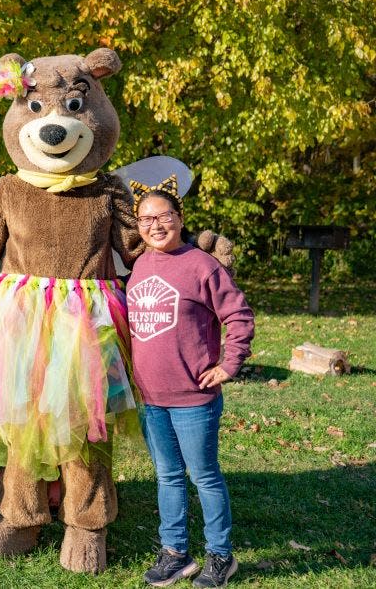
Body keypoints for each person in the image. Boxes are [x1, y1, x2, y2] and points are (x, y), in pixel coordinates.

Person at [126, 178, 254, 589]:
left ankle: (221, 556)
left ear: (179, 219)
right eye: (146, 218)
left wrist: (228, 365)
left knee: (204, 476)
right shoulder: (139, 266)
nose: (155, 225)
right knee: (167, 476)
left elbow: (238, 316)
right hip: (152, 397)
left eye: (163, 216)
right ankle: (176, 553)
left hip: (193, 397)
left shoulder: (201, 264)